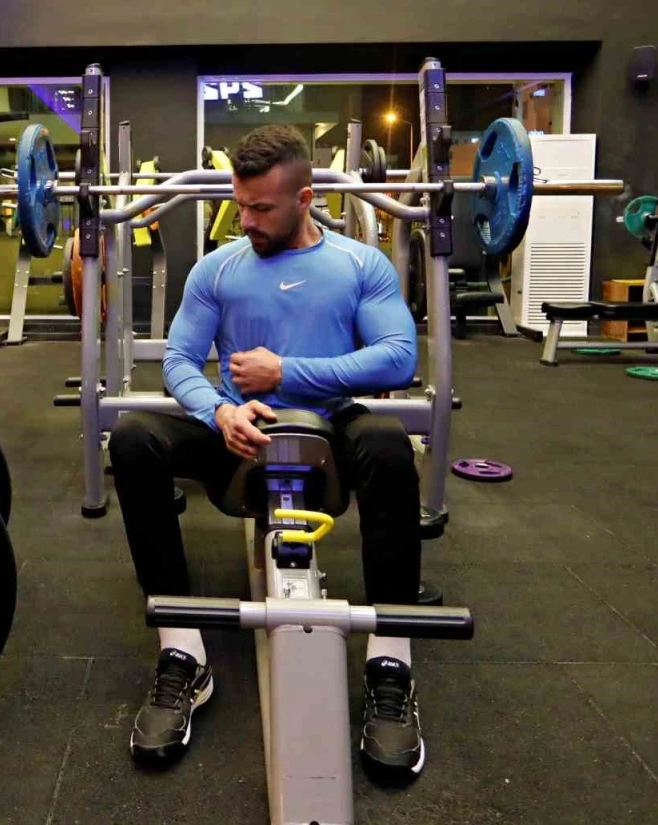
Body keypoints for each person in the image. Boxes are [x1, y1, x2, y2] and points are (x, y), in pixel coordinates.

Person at [109, 124, 424, 779]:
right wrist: (218, 410)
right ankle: (182, 649)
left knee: (389, 443)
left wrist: (287, 372)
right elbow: (179, 359)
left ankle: (391, 660)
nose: (246, 221)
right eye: (241, 205)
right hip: (239, 436)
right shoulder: (218, 268)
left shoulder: (358, 264)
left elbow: (399, 356)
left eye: (261, 208)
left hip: (329, 428)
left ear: (304, 198)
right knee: (135, 436)